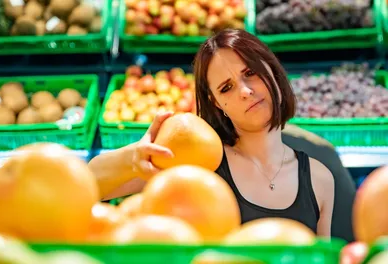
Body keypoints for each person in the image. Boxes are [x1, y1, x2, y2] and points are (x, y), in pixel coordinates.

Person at [89, 29, 334, 237]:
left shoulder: (320, 178)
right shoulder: (199, 161)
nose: (245, 91)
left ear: (272, 70)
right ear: (217, 103)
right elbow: (86, 184)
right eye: (226, 88)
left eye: (250, 73)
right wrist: (134, 158)